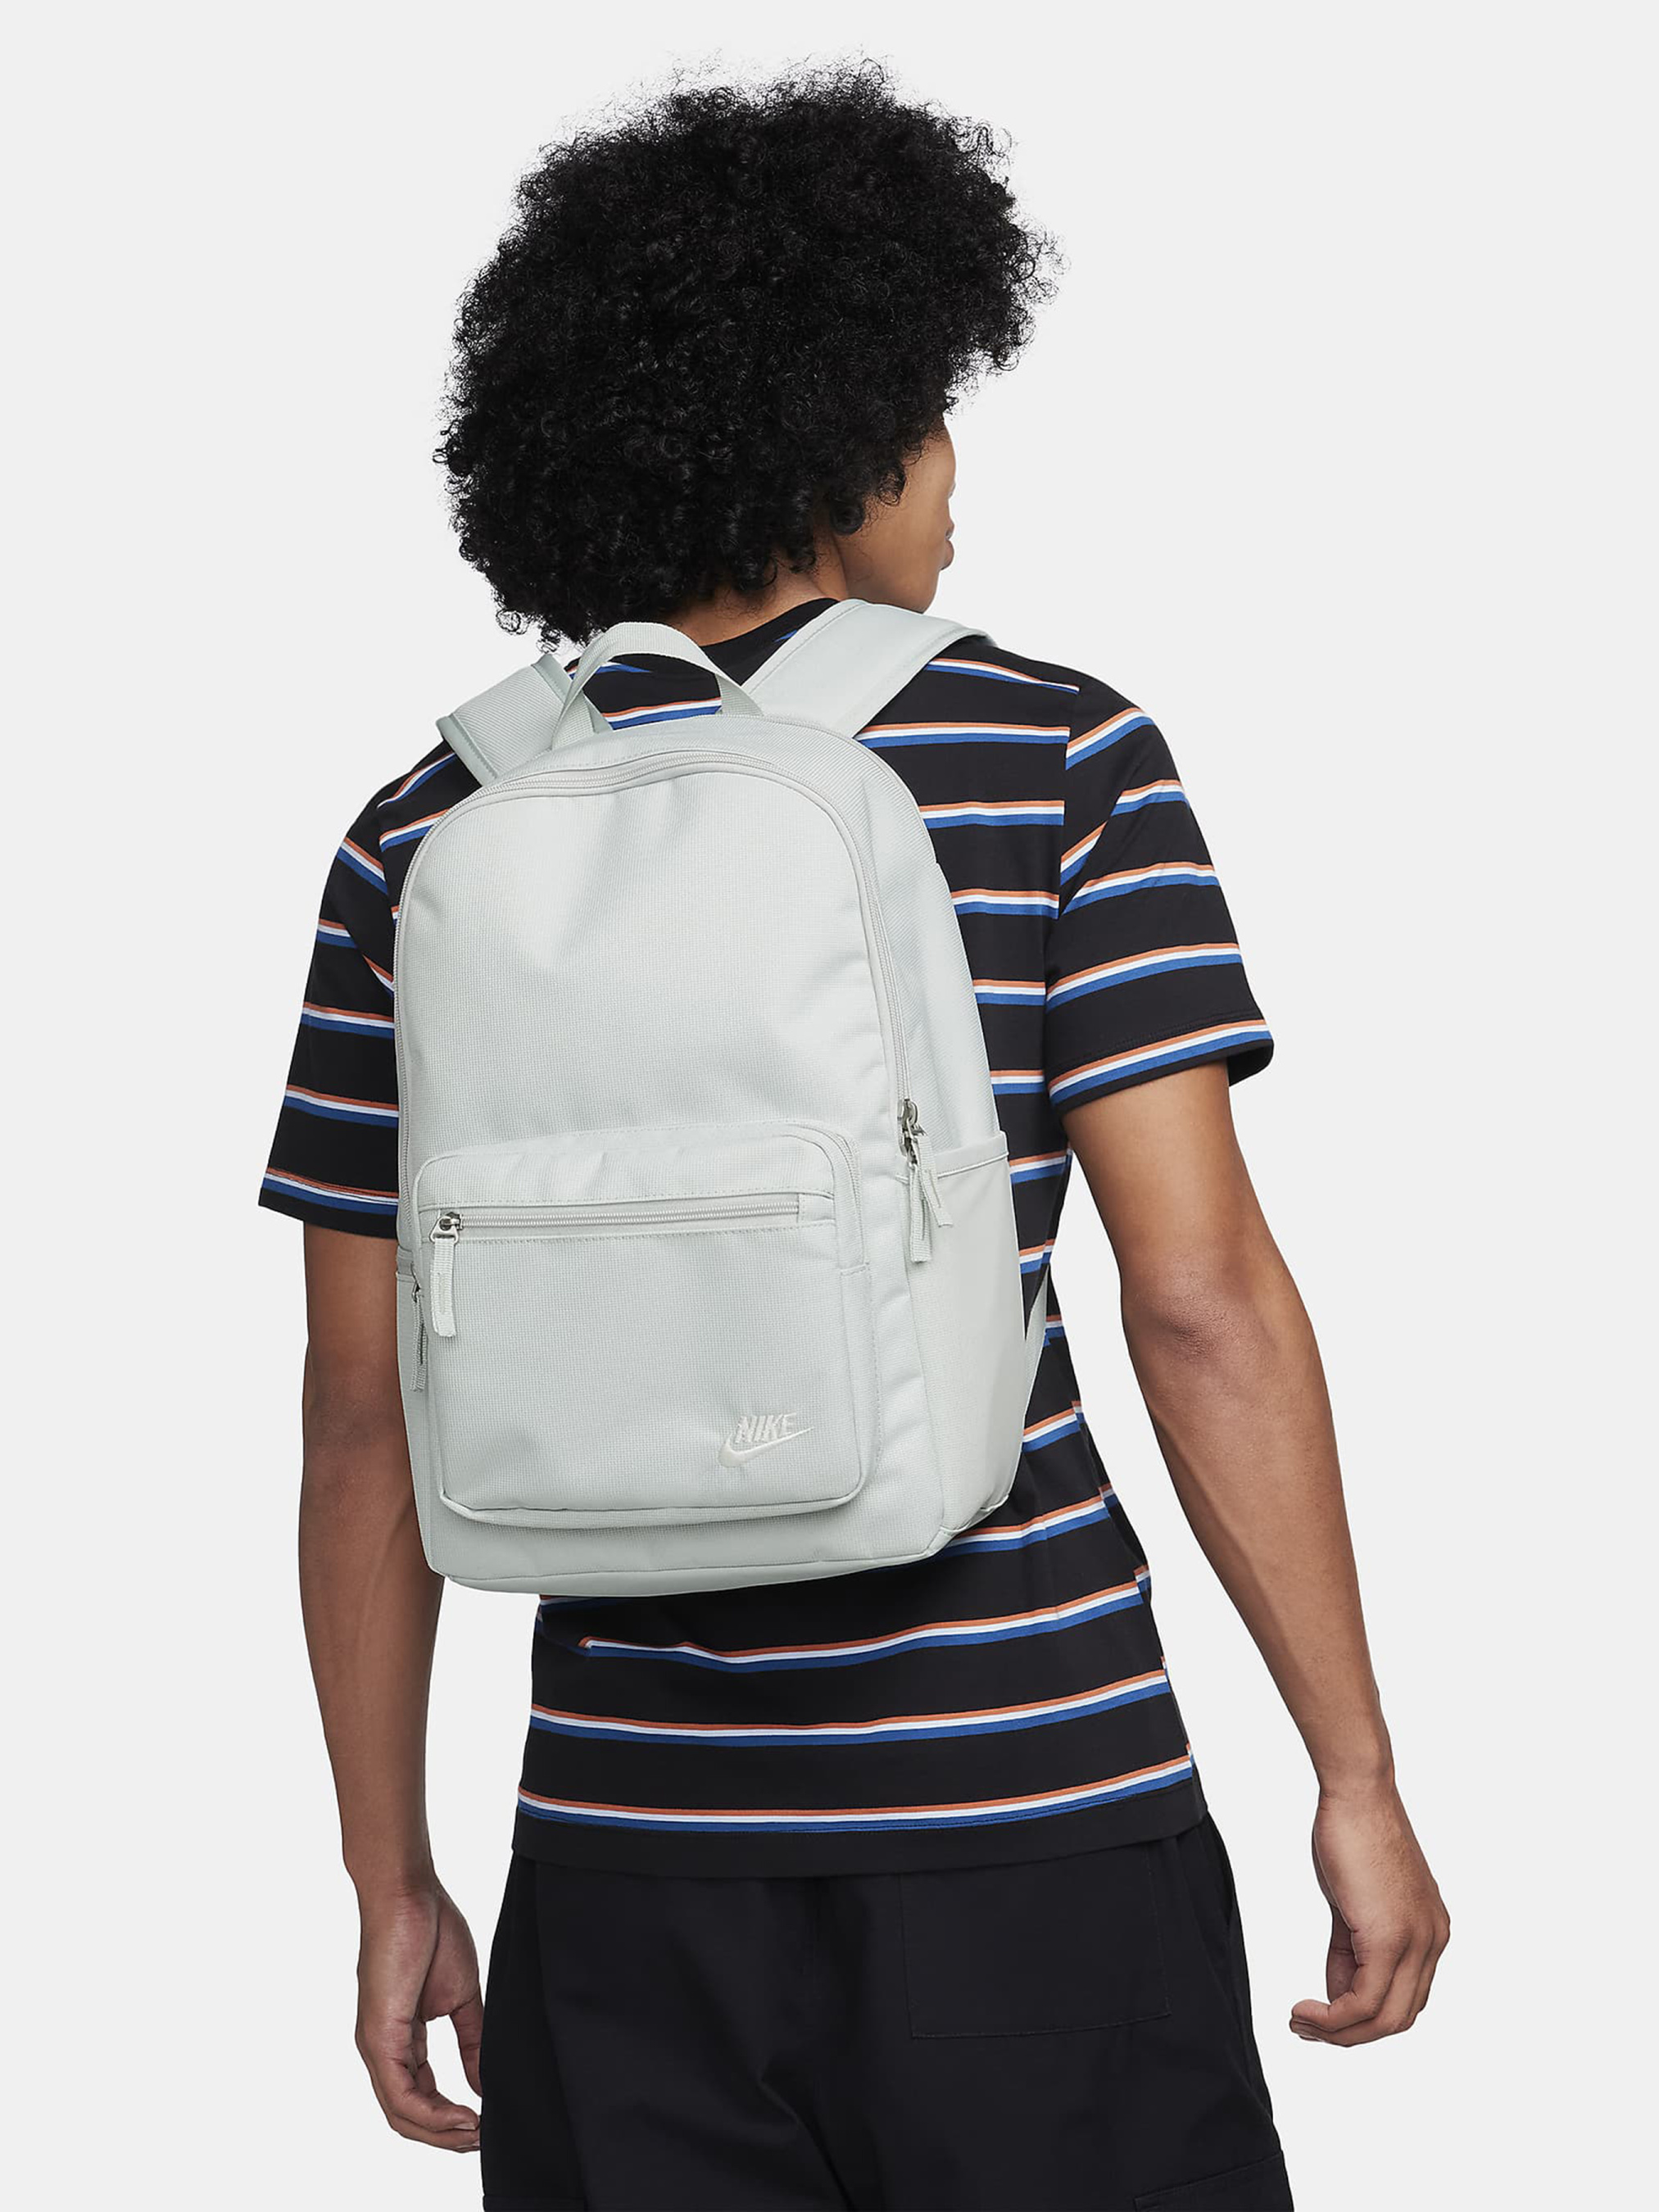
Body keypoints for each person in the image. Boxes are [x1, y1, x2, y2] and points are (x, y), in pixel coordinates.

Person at [261, 65, 1448, 2212]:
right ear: (845, 433)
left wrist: (389, 1872)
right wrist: (1351, 1769)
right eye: (932, 413)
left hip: (622, 1868)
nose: (954, 481)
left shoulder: (424, 827)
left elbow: (363, 1412)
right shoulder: (1050, 753)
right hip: (1035, 1823)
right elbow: (1197, 1300)